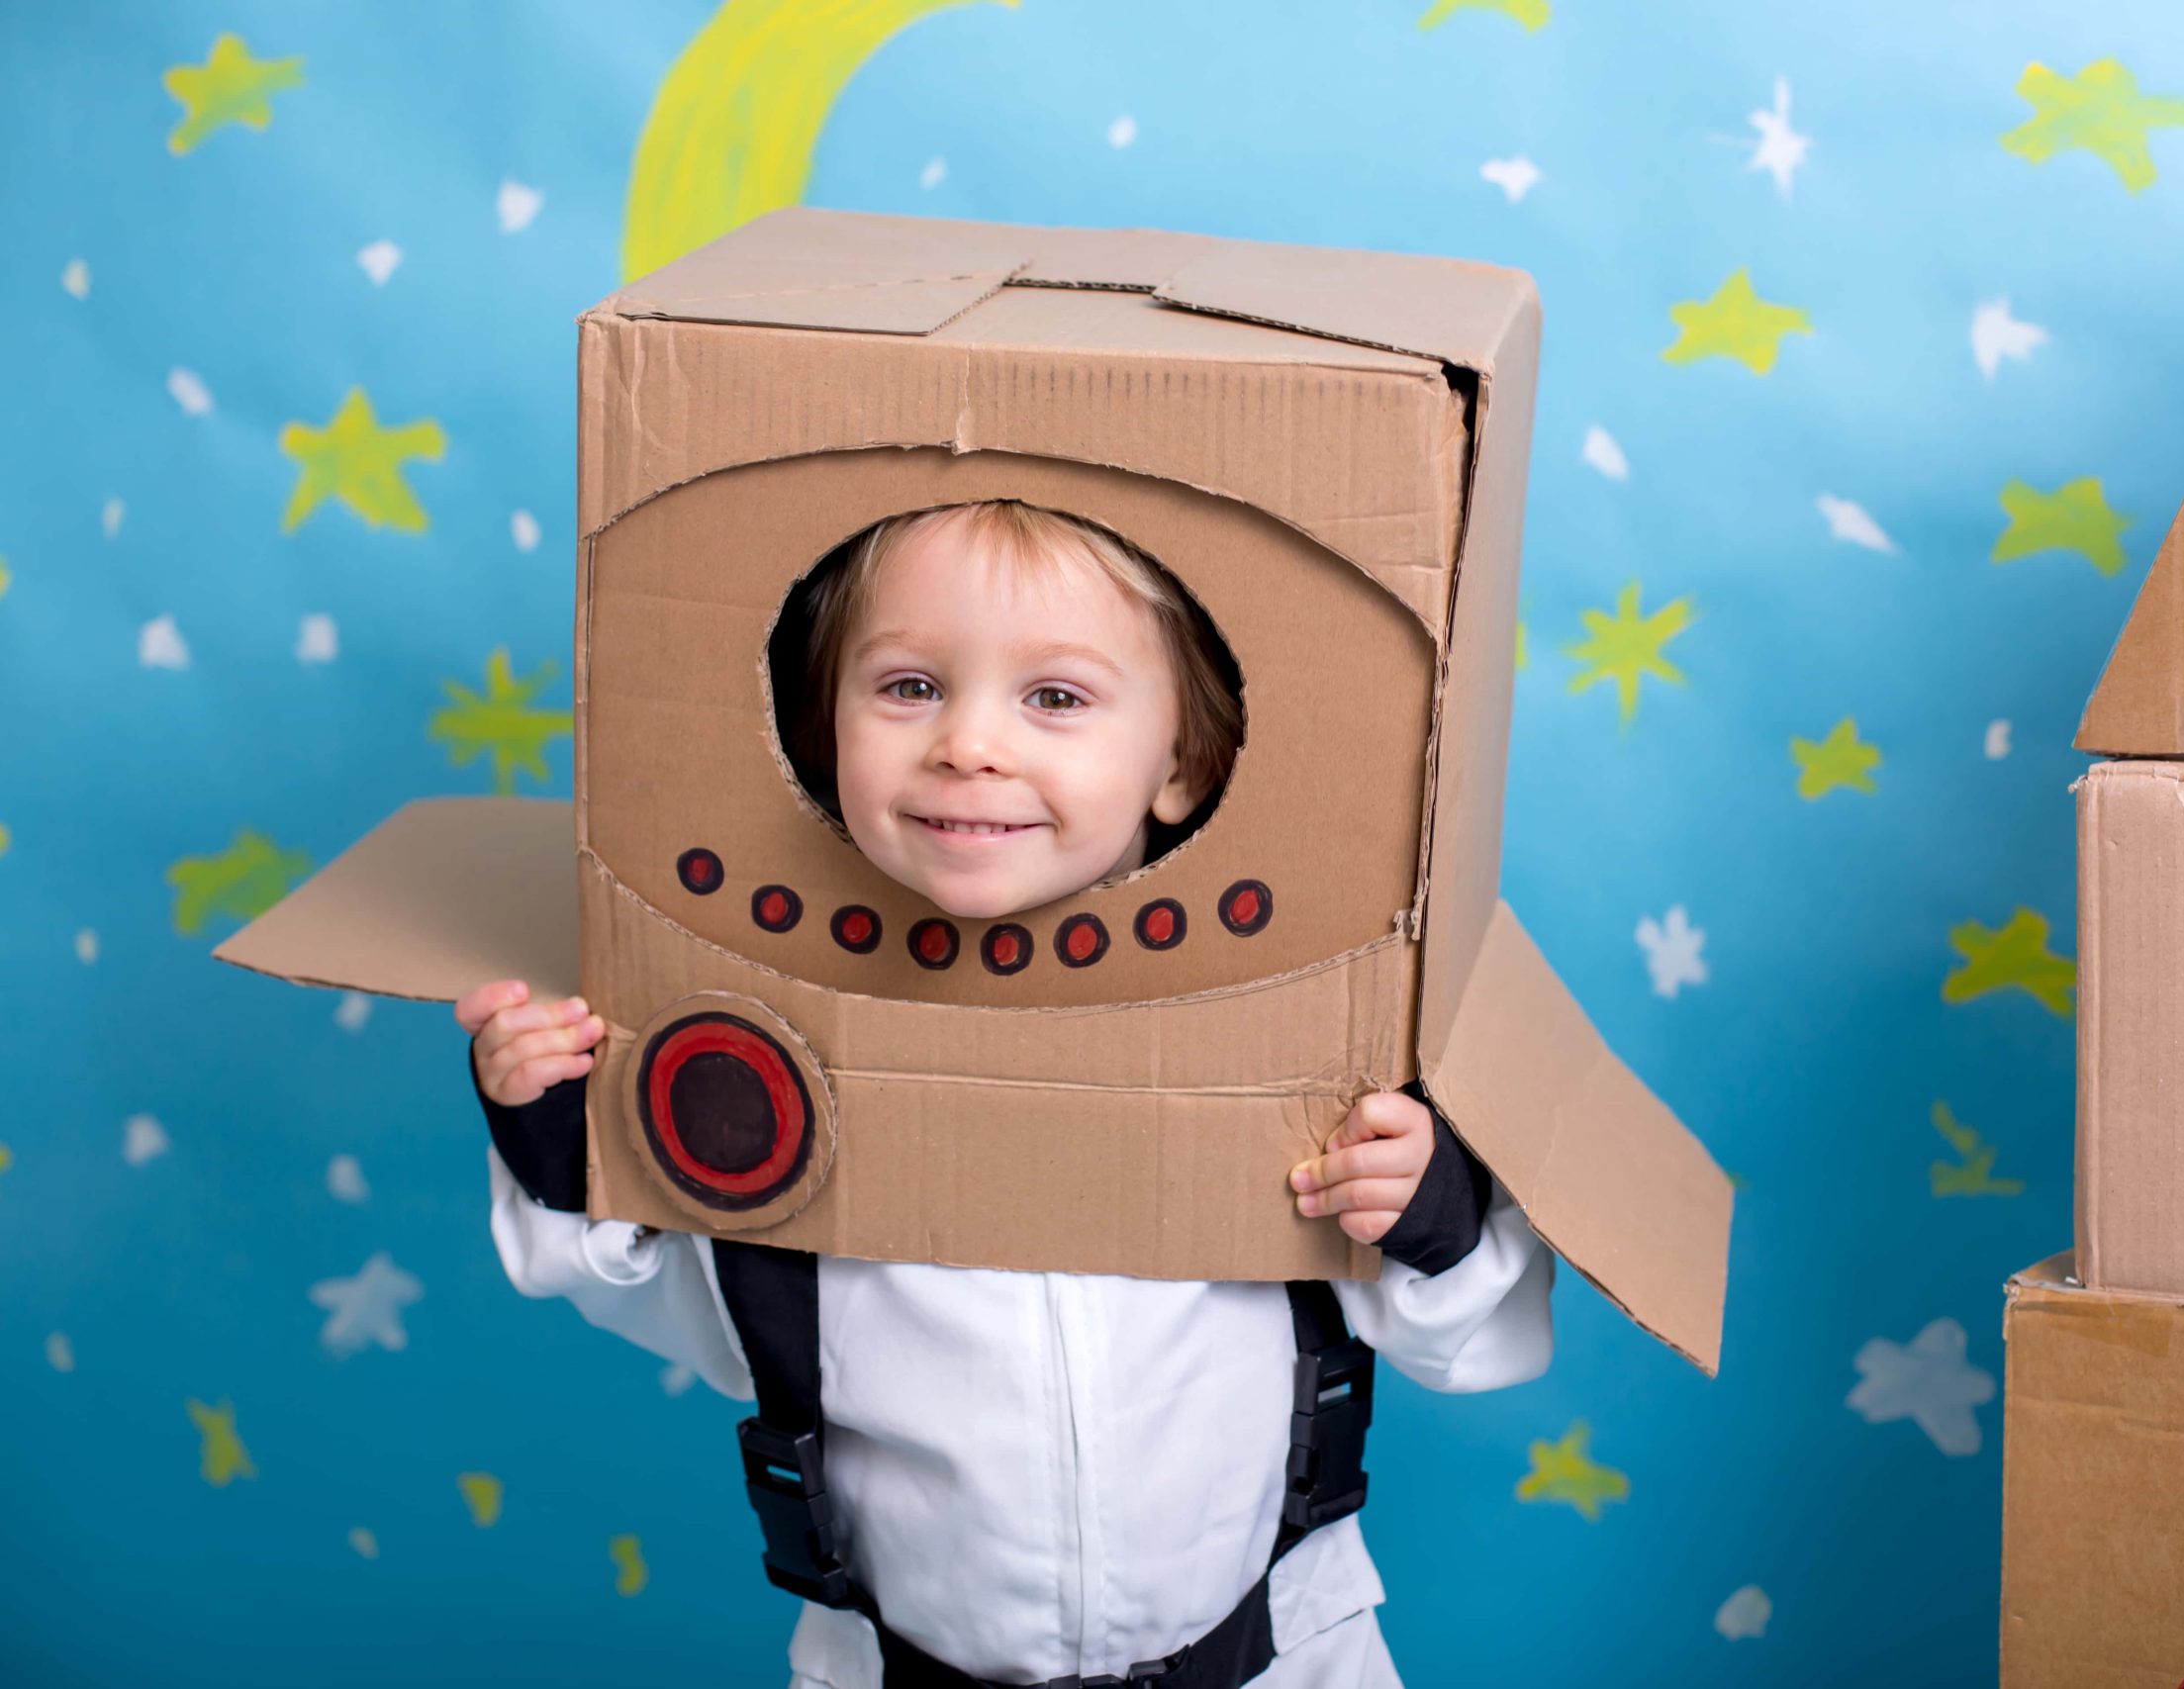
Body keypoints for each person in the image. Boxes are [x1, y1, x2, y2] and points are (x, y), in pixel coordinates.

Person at [456, 501, 1554, 1688]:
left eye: (1057, 698)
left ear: (1181, 763)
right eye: (911, 687)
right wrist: (564, 1139)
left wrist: (1429, 1206)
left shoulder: (1308, 1031)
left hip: (1283, 1657)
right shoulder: (762, 1050)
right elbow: (668, 1307)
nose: (969, 743)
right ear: (819, 738)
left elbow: (1480, 1345)